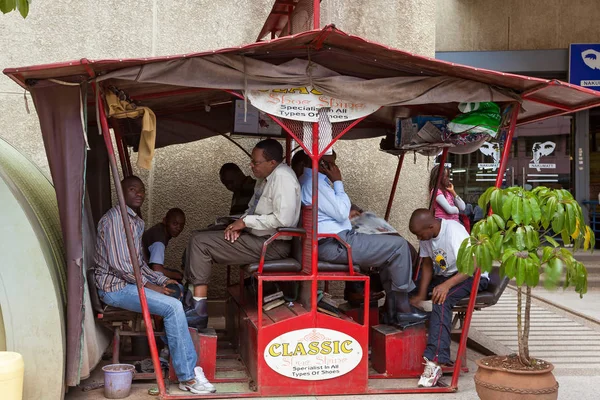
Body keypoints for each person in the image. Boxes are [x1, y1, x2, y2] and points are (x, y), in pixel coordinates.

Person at [94, 176, 215, 394]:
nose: (139, 194)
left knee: (174, 297)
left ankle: (175, 360)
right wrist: (152, 286)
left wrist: (162, 279)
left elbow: (140, 264)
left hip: (130, 284)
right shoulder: (114, 221)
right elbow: (123, 267)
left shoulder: (136, 223)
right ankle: (188, 376)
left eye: (141, 190)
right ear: (121, 193)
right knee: (172, 306)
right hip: (115, 288)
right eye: (133, 190)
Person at [299, 152, 427, 326]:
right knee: (399, 246)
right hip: (336, 243)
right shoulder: (314, 183)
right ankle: (403, 308)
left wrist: (349, 215)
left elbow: (336, 212)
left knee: (390, 251)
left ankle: (392, 309)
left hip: (336, 240)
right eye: (332, 164)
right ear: (323, 164)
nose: (336, 168)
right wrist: (338, 181)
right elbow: (340, 211)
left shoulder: (314, 182)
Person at [185, 139, 301, 326]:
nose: (251, 165)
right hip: (258, 237)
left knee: (200, 242)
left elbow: (284, 220)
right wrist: (239, 225)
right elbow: (252, 210)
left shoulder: (282, 177)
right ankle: (191, 299)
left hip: (272, 244)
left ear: (272, 162)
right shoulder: (265, 179)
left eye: (256, 162)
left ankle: (198, 310)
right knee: (198, 235)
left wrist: (245, 222)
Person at [408, 209, 489, 388]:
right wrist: (420, 295)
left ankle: (435, 361)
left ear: (431, 226)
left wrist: (446, 285)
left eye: (420, 234)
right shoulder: (427, 236)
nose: (419, 239)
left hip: (472, 275)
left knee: (441, 299)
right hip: (448, 275)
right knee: (407, 291)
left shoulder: (453, 230)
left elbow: (473, 263)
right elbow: (428, 265)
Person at [143, 208, 186, 281]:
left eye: (181, 225)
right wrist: (177, 276)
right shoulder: (159, 241)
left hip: (144, 268)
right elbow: (157, 269)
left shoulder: (159, 229)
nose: (178, 228)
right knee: (176, 284)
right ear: (165, 221)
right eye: (175, 224)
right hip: (141, 273)